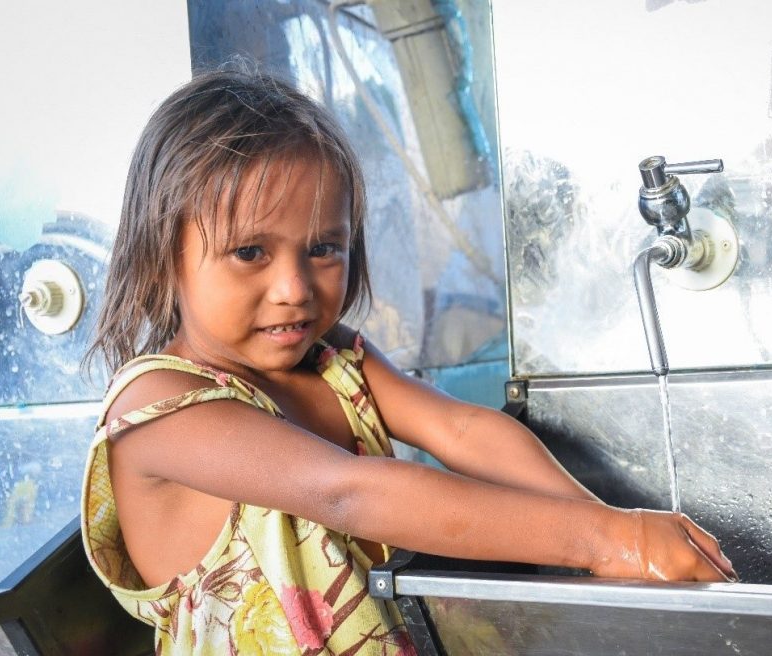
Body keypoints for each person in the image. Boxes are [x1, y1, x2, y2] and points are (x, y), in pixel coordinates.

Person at [81, 68, 736, 655]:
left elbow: (462, 430)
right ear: (162, 253)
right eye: (250, 252)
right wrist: (603, 540)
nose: (295, 288)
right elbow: (346, 492)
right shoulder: (156, 406)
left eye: (323, 249)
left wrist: (616, 539)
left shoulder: (332, 359)